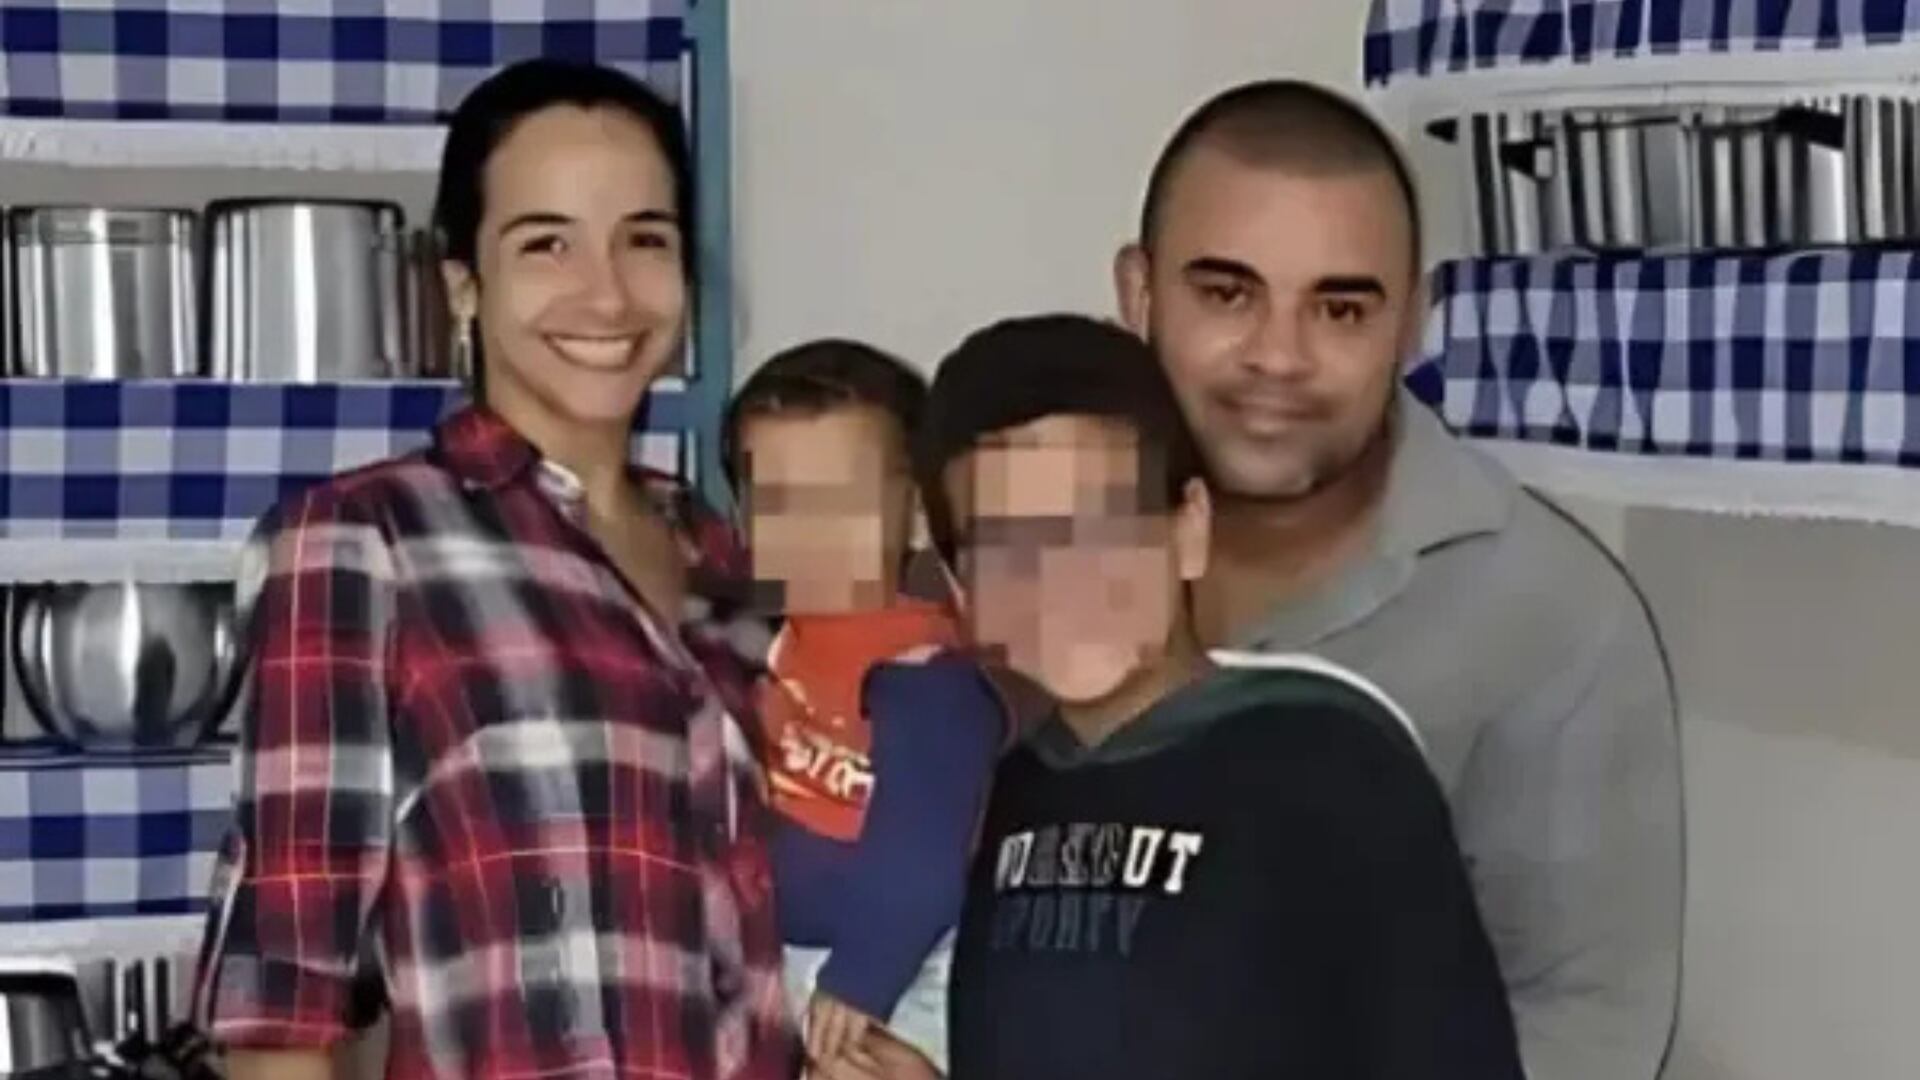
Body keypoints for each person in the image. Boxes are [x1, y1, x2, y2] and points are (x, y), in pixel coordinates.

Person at [192, 59, 795, 1080]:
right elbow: (282, 1014)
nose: (607, 291)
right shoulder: (362, 541)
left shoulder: (728, 561)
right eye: (547, 242)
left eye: (645, 239)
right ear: (462, 284)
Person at [1112, 79, 1684, 1080]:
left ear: (1411, 322)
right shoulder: (1020, 546)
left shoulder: (1546, 618)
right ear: (1139, 293)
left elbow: (1584, 1029)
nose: (1278, 358)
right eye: (1227, 294)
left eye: (1340, 309)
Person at [925, 314, 1525, 1079]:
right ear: (960, 589)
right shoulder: (1009, 789)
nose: (1058, 579)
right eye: (1005, 548)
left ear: (1189, 528)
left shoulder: (1328, 760)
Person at [723, 341, 1002, 1075]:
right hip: (796, 964)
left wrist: (862, 977)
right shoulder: (771, 650)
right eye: (777, 501)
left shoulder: (924, 672)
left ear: (918, 516)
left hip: (891, 974)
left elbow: (925, 860)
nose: (808, 531)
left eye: (841, 500)